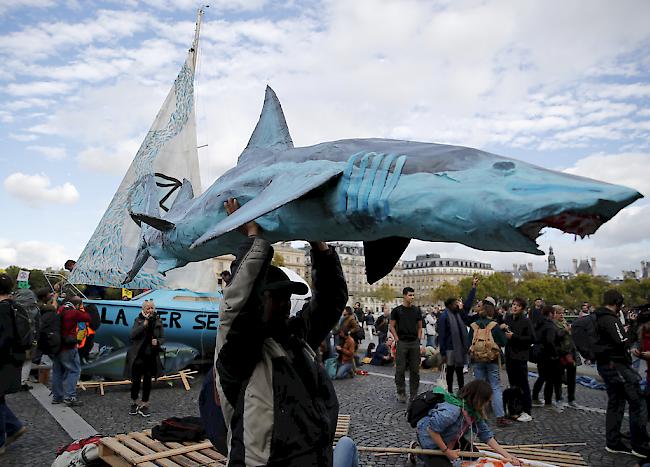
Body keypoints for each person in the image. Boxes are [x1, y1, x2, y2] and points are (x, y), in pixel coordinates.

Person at [214, 198, 348, 466]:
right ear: (260, 298)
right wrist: (254, 238)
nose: (285, 304)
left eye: (288, 297)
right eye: (277, 297)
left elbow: (331, 301)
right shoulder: (240, 353)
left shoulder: (296, 338)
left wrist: (318, 245)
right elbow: (239, 305)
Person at [415, 380, 522, 467]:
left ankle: (432, 455)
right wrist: (447, 451)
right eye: (487, 401)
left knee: (474, 455)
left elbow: (486, 435)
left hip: (449, 437)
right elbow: (432, 430)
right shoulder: (452, 411)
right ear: (478, 399)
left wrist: (508, 456)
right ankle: (418, 450)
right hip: (430, 440)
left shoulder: (472, 411)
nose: (487, 404)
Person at [596, 290, 650, 457]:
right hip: (617, 365)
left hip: (607, 364)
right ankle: (639, 445)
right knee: (637, 402)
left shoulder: (598, 318)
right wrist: (630, 329)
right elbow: (622, 341)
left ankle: (613, 442)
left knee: (616, 402)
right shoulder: (610, 319)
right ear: (617, 302)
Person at [468, 298, 511, 427]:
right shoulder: (494, 326)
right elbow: (504, 342)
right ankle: (500, 417)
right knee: (495, 387)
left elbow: (468, 341)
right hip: (492, 359)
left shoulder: (474, 326)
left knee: (479, 388)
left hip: (477, 360)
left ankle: (477, 415)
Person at [0, 274, 27, 456]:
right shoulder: (15, 307)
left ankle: (2, 440)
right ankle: (14, 427)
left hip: (3, 361)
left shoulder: (2, 309)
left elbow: (3, 339)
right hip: (12, 360)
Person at [438, 278, 478, 394]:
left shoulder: (459, 314)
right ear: (450, 305)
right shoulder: (444, 316)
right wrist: (443, 353)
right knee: (450, 371)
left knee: (460, 371)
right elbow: (442, 336)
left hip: (459, 348)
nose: (458, 304)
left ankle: (461, 391)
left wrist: (473, 288)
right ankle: (450, 391)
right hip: (450, 349)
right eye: (456, 303)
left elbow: (469, 302)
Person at [125, 300, 164, 417]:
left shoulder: (158, 321)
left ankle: (145, 403)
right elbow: (132, 335)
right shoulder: (138, 320)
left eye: (152, 308)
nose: (150, 310)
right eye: (148, 308)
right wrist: (144, 325)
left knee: (148, 380)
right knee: (136, 380)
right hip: (138, 355)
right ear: (144, 309)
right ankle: (134, 401)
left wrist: (157, 342)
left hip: (151, 355)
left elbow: (162, 337)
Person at [51, 296, 91, 406]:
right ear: (78, 305)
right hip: (68, 346)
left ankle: (57, 396)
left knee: (57, 371)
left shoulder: (61, 308)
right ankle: (70, 396)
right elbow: (87, 318)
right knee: (74, 370)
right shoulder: (73, 312)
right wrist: (82, 309)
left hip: (56, 345)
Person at [503, 297, 535, 422]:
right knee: (513, 385)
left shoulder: (526, 321)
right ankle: (515, 409)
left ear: (522, 308)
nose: (514, 307)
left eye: (517, 305)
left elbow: (532, 338)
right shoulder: (508, 318)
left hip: (520, 357)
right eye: (513, 305)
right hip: (510, 356)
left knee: (523, 385)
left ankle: (527, 411)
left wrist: (514, 337)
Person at [390, 287, 423, 402]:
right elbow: (392, 326)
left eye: (413, 295)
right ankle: (401, 392)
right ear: (404, 296)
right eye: (410, 295)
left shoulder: (417, 310)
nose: (412, 297)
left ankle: (414, 394)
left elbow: (420, 326)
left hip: (414, 342)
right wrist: (397, 339)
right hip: (402, 342)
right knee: (400, 369)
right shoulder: (397, 311)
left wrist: (419, 339)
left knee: (415, 370)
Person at [531, 305, 560, 409]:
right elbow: (550, 341)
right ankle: (548, 401)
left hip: (539, 353)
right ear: (551, 314)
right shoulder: (550, 326)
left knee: (542, 376)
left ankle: (534, 396)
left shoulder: (539, 324)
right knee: (549, 379)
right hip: (548, 355)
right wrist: (555, 354)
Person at [553, 305, 578, 407]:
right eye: (559, 313)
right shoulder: (553, 324)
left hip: (570, 354)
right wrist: (565, 331)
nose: (561, 315)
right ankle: (559, 398)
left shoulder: (564, 323)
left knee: (572, 377)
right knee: (558, 378)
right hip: (560, 355)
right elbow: (555, 337)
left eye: (562, 312)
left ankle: (571, 399)